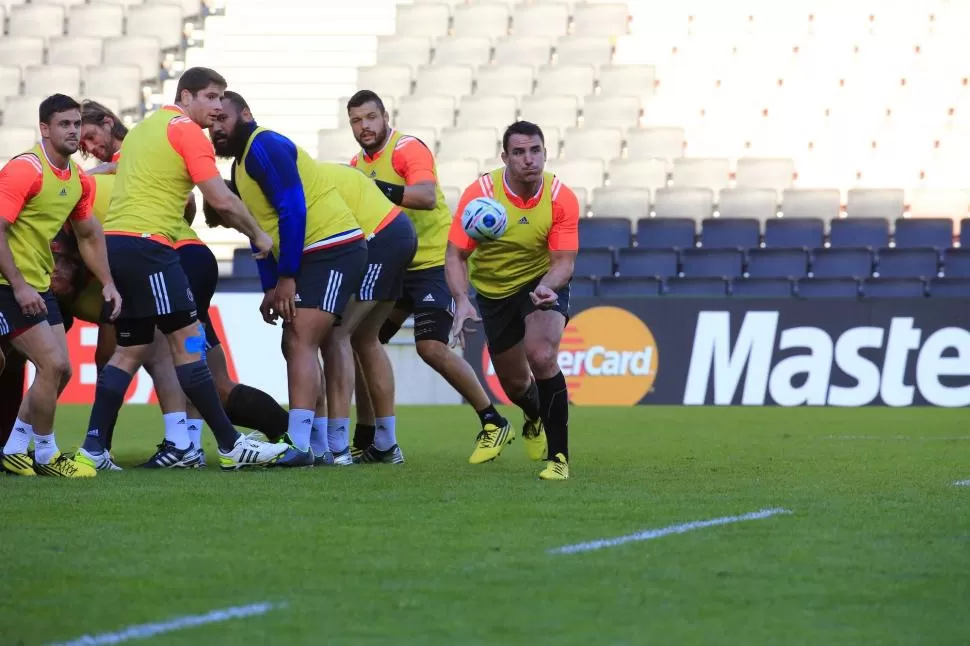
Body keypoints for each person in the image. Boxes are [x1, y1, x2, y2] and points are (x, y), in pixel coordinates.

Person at [77, 67, 288, 471]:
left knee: (128, 351)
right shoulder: (186, 131)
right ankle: (229, 444)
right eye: (210, 96)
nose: (217, 105)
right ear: (186, 96)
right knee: (190, 343)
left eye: (222, 97)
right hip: (152, 250)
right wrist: (259, 235)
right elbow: (219, 199)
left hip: (118, 246)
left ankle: (93, 449)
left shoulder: (143, 129)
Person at [346, 90, 510, 459]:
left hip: (433, 263)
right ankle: (370, 438)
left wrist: (373, 188)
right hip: (394, 265)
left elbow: (426, 197)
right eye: (356, 120)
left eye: (370, 117)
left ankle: (493, 421)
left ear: (384, 116)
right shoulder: (356, 163)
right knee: (359, 341)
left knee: (430, 347)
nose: (364, 126)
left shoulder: (407, 149)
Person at [208, 90, 368, 467]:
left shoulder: (264, 144)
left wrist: (287, 277)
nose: (215, 129)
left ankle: (304, 445)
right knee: (299, 341)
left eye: (223, 120)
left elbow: (292, 207)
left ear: (246, 113)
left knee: (299, 338)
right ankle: (322, 446)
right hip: (315, 253)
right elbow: (256, 229)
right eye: (211, 123)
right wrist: (269, 284)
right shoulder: (239, 166)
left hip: (332, 248)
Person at [445, 121, 579, 480]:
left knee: (542, 355)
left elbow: (564, 262)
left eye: (535, 150)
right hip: (493, 291)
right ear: (504, 157)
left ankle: (559, 459)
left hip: (540, 281)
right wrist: (462, 299)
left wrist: (548, 286)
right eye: (519, 152)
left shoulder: (559, 196)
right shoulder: (481, 194)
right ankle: (532, 416)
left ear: (545, 153)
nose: (528, 159)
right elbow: (455, 254)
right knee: (516, 385)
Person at [0, 93, 121, 478]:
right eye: (64, 125)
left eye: (76, 124)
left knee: (62, 371)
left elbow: (89, 236)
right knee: (51, 364)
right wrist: (18, 285)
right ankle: (47, 455)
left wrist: (108, 283)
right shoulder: (25, 170)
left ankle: (16, 447)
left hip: (37, 284)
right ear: (45, 129)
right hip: (8, 284)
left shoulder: (79, 181)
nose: (72, 132)